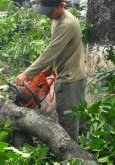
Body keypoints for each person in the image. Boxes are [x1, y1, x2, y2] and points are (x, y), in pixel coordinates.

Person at [14, 0, 86, 142]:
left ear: (61, 5)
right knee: (78, 118)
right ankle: (83, 146)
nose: (47, 14)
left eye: (49, 11)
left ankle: (71, 157)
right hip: (70, 73)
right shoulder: (56, 19)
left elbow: (51, 51)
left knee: (67, 122)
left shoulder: (67, 24)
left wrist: (27, 74)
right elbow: (60, 49)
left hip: (70, 79)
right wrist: (50, 68)